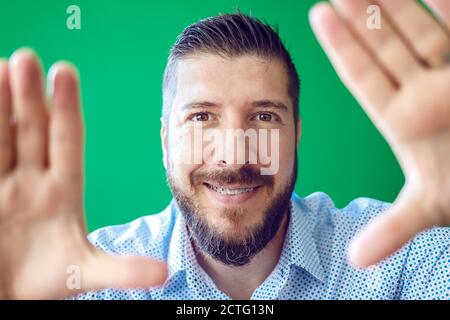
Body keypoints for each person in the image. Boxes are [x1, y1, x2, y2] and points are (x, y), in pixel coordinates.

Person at [0, 0, 450, 300]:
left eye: (264, 117)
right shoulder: (83, 285)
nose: (234, 158)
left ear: (296, 136)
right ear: (165, 141)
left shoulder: (407, 259)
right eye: (201, 117)